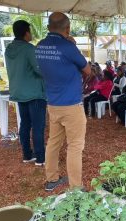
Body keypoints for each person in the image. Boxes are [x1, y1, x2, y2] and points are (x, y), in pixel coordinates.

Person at [36, 12, 91, 191]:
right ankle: (76, 187)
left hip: (52, 103)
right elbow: (88, 70)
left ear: (48, 27)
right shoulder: (68, 47)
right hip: (71, 105)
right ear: (67, 28)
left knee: (53, 142)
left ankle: (51, 179)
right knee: (75, 146)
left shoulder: (40, 46)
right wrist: (72, 44)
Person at [5, 20, 46, 166]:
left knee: (25, 124)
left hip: (18, 92)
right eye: (30, 31)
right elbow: (39, 69)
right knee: (38, 125)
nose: (31, 34)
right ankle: (40, 158)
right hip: (34, 93)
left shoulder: (9, 49)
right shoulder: (29, 49)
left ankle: (27, 155)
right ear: (26, 32)